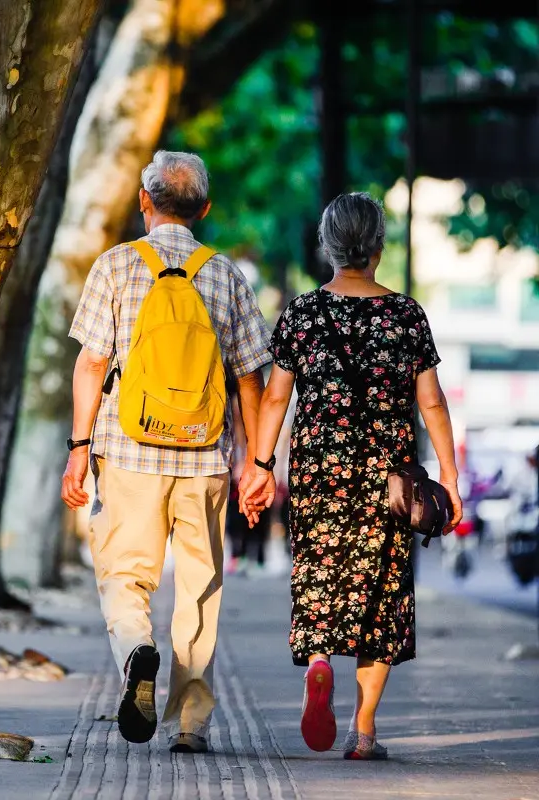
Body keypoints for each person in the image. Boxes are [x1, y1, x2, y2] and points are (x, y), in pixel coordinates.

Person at [60, 150, 270, 754]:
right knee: (199, 585)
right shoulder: (226, 274)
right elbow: (250, 378)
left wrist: (79, 450)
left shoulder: (117, 266)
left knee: (126, 576)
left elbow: (92, 363)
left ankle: (135, 652)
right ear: (204, 209)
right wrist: (257, 463)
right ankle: (191, 722)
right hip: (204, 458)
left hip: (128, 453)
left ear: (145, 201)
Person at [240, 192, 463, 760]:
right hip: (390, 478)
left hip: (320, 471)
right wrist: (450, 476)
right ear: (379, 247)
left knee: (318, 576)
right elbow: (432, 404)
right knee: (382, 596)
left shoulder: (303, 313)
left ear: (327, 246)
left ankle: (319, 663)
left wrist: (260, 467)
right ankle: (364, 731)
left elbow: (275, 400)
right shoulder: (407, 315)